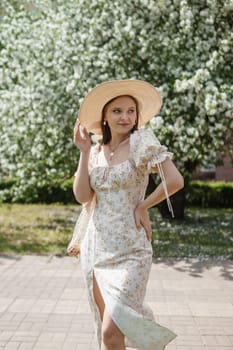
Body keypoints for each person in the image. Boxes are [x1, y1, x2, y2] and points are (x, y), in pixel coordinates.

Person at [67, 79, 184, 350]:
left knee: (114, 323)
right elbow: (83, 197)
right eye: (117, 111)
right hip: (96, 248)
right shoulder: (95, 152)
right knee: (106, 331)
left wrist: (142, 206)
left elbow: (175, 180)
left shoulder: (142, 141)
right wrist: (84, 153)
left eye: (131, 111)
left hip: (132, 249)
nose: (125, 117)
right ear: (104, 117)